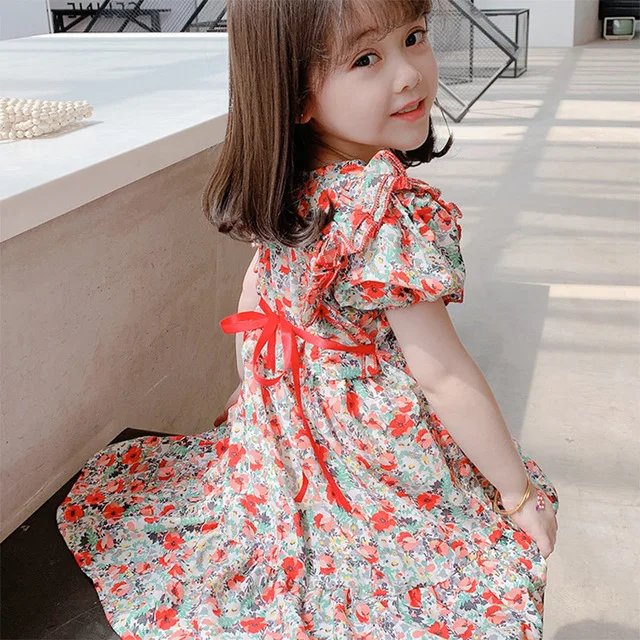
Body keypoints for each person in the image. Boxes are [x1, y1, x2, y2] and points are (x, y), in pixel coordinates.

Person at [56, 0, 559, 638]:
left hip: (281, 434)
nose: (409, 74)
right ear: (296, 95)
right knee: (466, 561)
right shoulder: (383, 211)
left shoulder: (292, 182)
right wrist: (517, 495)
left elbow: (257, 300)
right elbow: (443, 376)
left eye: (414, 37)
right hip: (361, 449)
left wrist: (254, 393)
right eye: (367, 58)